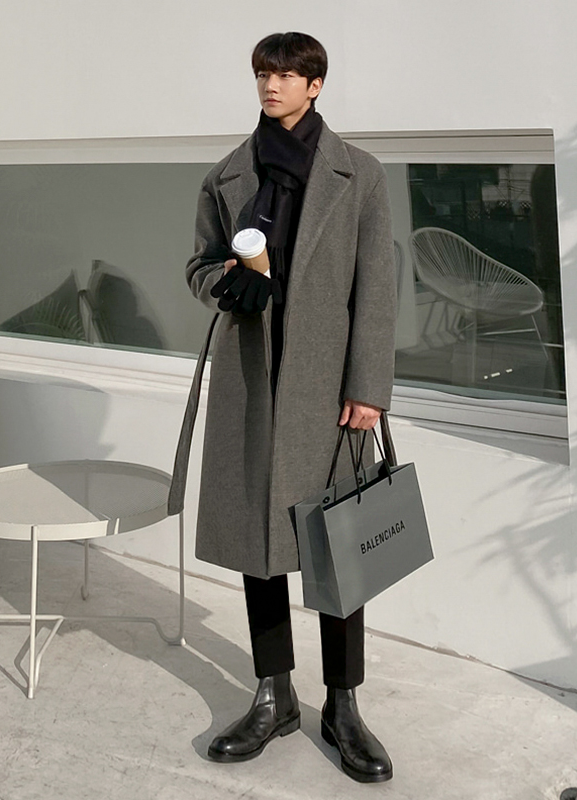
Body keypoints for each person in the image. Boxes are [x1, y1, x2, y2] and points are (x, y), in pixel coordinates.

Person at [182, 31, 396, 783]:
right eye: (262, 74)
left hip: (331, 391)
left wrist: (369, 387)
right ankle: (274, 695)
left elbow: (378, 286)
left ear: (315, 85)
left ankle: (343, 706)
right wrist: (228, 282)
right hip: (250, 384)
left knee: (341, 547)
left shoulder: (359, 173)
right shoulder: (227, 175)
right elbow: (198, 266)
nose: (271, 86)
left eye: (285, 75)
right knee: (259, 547)